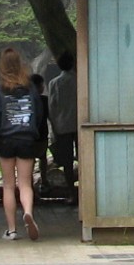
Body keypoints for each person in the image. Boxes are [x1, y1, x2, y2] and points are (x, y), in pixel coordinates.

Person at [0, 46, 46, 241]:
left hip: (5, 141)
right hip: (26, 140)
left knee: (8, 186)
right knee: (25, 184)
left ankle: (12, 230)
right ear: (20, 64)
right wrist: (34, 131)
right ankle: (28, 213)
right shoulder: (30, 88)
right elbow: (39, 113)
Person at [46, 50, 78, 205]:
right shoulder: (80, 80)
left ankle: (72, 193)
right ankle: (87, 194)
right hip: (80, 125)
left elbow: (52, 107)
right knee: (85, 159)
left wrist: (54, 127)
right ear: (73, 63)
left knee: (67, 162)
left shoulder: (54, 83)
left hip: (62, 126)